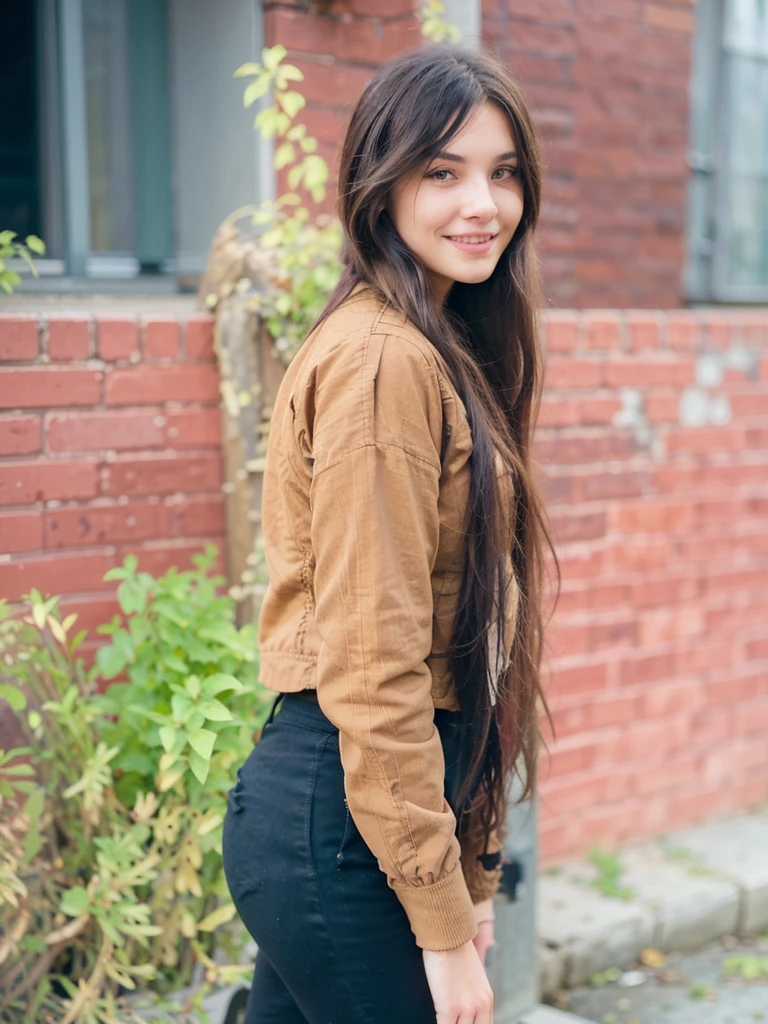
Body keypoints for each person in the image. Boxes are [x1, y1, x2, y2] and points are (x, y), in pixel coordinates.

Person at [222, 43, 554, 1024]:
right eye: (442, 172)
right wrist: (441, 926)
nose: (481, 204)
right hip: (341, 827)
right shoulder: (383, 366)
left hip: (346, 818)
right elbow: (375, 666)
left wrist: (469, 874)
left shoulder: (437, 350)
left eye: (503, 174)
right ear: (382, 182)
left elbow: (469, 649)